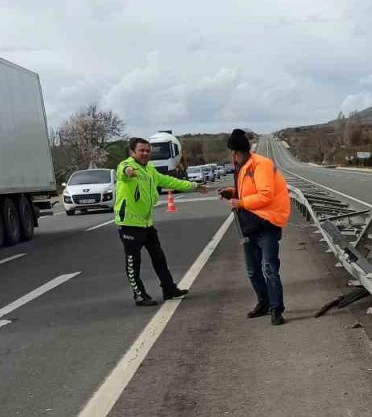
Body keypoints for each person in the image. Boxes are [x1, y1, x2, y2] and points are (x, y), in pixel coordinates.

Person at [114, 137, 210, 307]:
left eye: (147, 150)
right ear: (132, 152)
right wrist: (128, 171)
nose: (145, 153)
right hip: (129, 223)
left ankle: (169, 288)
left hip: (146, 223)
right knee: (133, 262)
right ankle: (139, 295)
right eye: (141, 150)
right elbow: (123, 170)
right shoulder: (127, 165)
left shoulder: (150, 170)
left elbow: (170, 181)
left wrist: (194, 186)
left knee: (159, 257)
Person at [220, 129, 292, 326]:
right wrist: (231, 193)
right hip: (249, 225)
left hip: (266, 224)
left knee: (270, 269)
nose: (232, 157)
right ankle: (264, 303)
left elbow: (265, 194)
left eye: (232, 153)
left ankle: (276, 309)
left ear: (236, 152)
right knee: (253, 270)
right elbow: (247, 191)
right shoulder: (242, 167)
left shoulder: (261, 164)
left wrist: (241, 203)